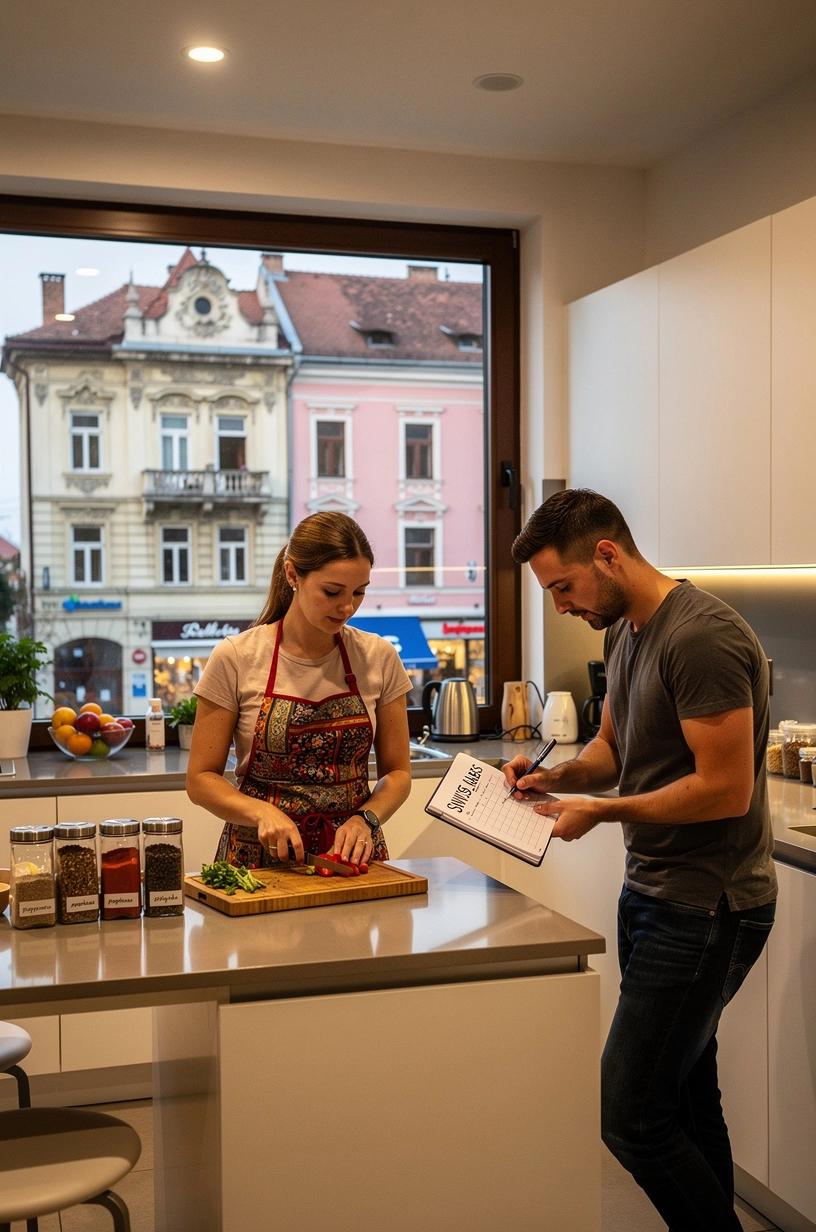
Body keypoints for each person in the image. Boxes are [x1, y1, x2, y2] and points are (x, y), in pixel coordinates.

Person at [504, 488, 776, 1232]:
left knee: (628, 1115)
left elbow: (725, 790)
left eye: (563, 587)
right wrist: (556, 778)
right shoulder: (624, 632)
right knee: (684, 1097)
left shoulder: (702, 637)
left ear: (608, 555)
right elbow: (613, 749)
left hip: (710, 904)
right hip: (654, 894)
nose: (561, 606)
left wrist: (604, 812)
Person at [186, 512, 412, 868]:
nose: (347, 607)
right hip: (257, 861)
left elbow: (398, 773)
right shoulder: (237, 657)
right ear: (293, 575)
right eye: (332, 591)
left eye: (359, 592)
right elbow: (200, 780)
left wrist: (366, 819)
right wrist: (260, 812)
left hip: (350, 858)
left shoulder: (378, 657)